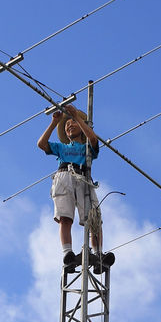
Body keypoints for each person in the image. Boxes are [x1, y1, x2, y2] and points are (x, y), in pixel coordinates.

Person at [38, 103, 110, 269]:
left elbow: (93, 139)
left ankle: (98, 254)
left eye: (73, 122)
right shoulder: (62, 148)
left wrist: (76, 116)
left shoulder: (87, 147)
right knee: (65, 217)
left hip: (84, 177)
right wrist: (54, 123)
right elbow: (42, 144)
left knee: (94, 219)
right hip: (65, 176)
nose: (69, 124)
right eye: (67, 124)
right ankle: (67, 252)